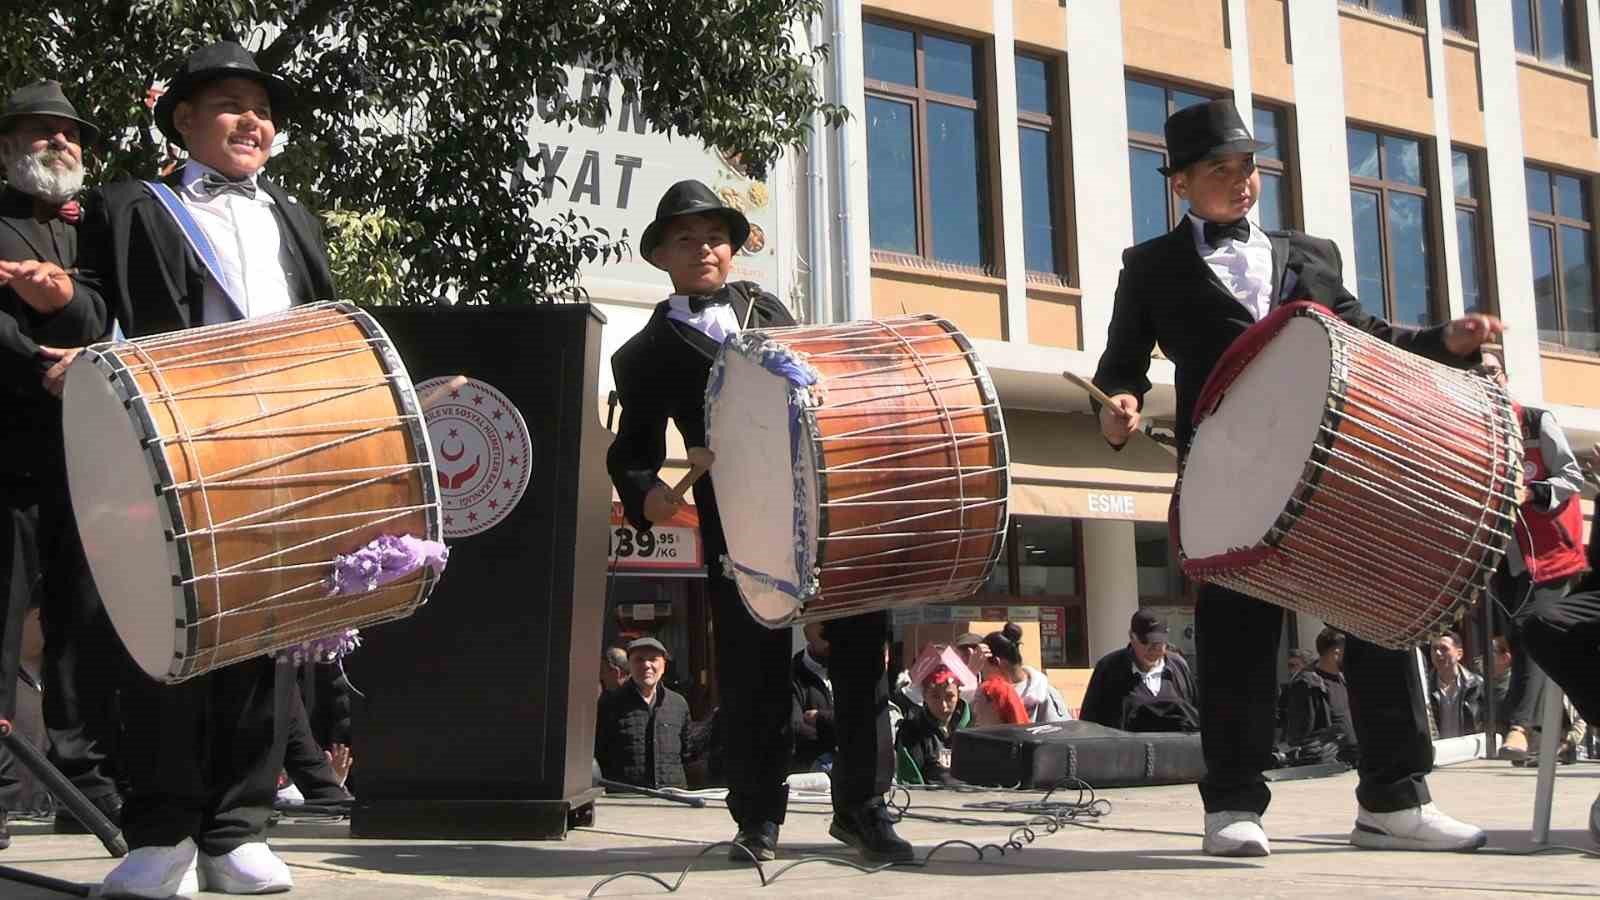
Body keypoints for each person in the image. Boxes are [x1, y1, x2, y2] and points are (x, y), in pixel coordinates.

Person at [1092, 99, 1500, 856]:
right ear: (1180, 183)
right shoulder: (1149, 268)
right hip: (1228, 479)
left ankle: (1394, 799)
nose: (1243, 181)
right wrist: (1118, 406)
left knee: (1379, 620)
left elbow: (1372, 337)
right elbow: (1120, 370)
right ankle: (1233, 807)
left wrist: (1444, 340)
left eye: (1249, 165)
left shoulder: (1312, 254)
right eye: (1222, 169)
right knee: (1238, 642)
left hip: (1335, 467)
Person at [79, 41, 334, 897]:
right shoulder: (129, 206)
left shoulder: (292, 216)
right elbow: (91, 308)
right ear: (183, 121)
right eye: (228, 104)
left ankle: (237, 832)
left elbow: (325, 320)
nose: (251, 121)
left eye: (260, 109)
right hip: (175, 448)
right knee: (166, 642)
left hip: (280, 447)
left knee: (262, 647)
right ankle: (161, 836)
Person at [607, 180, 911, 864]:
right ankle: (757, 819)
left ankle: (863, 810)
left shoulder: (769, 309)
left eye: (714, 235)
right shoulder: (643, 356)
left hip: (826, 508)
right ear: (662, 255)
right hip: (737, 524)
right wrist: (650, 495)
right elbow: (633, 456)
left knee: (864, 657)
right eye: (685, 238)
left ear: (732, 247)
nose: (703, 249)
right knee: (753, 675)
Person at [0, 80, 120, 849]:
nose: (59, 143)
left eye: (69, 134)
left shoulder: (97, 227)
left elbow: (114, 317)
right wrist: (42, 350)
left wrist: (62, 312)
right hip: (4, 448)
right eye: (40, 132)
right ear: (6, 148)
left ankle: (87, 782)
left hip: (86, 456)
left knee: (84, 620)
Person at [1474, 353, 1588, 762]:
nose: (1484, 380)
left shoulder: (1538, 422)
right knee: (1529, 638)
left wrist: (1533, 492)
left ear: (1504, 376)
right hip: (1510, 559)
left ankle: (1520, 726)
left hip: (1553, 552)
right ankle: (1557, 735)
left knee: (1532, 628)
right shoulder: (1478, 436)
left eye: (1489, 371)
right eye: (1474, 375)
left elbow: (1571, 476)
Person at [594, 638, 695, 790]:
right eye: (639, 659)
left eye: (653, 659)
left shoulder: (678, 704)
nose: (647, 665)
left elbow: (688, 753)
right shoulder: (609, 705)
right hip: (625, 801)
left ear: (664, 665)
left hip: (674, 800)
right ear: (630, 665)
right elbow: (598, 753)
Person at [1079, 610, 1199, 733]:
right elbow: (1088, 724)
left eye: (1158, 644)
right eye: (1146, 642)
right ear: (1132, 636)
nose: (1153, 650)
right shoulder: (1109, 669)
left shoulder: (1178, 667)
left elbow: (1196, 717)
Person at [1282, 629, 1359, 764]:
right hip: (1330, 769)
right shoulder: (1307, 684)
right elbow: (1299, 736)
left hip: (1353, 762)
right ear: (1336, 652)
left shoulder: (1344, 679)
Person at [895, 665, 970, 786]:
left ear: (959, 693)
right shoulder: (912, 732)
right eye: (935, 696)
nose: (943, 705)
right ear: (924, 695)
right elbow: (911, 782)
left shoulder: (973, 727)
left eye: (950, 696)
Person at [791, 623, 836, 772]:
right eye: (823, 631)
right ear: (807, 632)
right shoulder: (793, 675)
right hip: (813, 775)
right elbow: (797, 729)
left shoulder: (848, 670)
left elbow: (860, 720)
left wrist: (821, 718)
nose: (830, 638)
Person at [967, 625, 1034, 726]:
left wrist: (969, 674)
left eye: (983, 667)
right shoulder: (1002, 690)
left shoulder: (995, 690)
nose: (982, 673)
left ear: (997, 662)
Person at [1428, 633, 1484, 740]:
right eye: (1434, 649)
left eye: (1444, 648)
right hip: (1436, 750)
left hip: (1467, 749)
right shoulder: (1424, 686)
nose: (1438, 653)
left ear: (1459, 654)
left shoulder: (1477, 684)